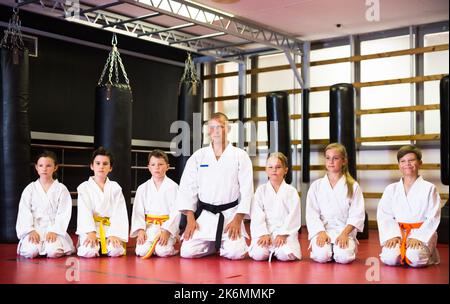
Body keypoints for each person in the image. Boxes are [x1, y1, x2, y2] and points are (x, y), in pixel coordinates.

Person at [177, 112, 254, 260]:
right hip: (204, 216)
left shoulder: (240, 156)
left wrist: (238, 220)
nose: (216, 131)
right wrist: (190, 219)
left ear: (228, 128)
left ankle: (222, 244)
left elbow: (247, 190)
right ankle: (213, 246)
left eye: (220, 126)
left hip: (230, 215)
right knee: (187, 252)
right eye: (212, 127)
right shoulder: (198, 156)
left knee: (235, 254)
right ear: (208, 130)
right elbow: (188, 188)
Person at [377, 145, 441, 267]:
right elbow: (384, 215)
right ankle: (402, 250)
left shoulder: (429, 188)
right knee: (389, 258)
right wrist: (392, 235)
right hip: (398, 233)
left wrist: (419, 237)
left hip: (421, 233)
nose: (407, 164)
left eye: (411, 160)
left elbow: (433, 217)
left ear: (420, 163)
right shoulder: (391, 189)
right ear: (399, 165)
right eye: (403, 161)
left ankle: (422, 253)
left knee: (415, 257)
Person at [306, 143, 365, 264]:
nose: (331, 161)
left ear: (344, 161)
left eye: (335, 158)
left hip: (344, 231)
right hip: (323, 230)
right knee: (321, 256)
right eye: (328, 158)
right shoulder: (316, 186)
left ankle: (341, 249)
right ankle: (329, 250)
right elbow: (312, 214)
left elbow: (357, 215)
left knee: (343, 258)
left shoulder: (353, 186)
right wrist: (320, 232)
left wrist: (344, 234)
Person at [16, 150, 75, 258]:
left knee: (53, 252)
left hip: (53, 228)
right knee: (30, 252)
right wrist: (30, 230)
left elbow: (64, 213)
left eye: (48, 165)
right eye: (41, 165)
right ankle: (33, 242)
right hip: (35, 228)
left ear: (55, 167)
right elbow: (24, 211)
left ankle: (54, 242)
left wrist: (55, 230)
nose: (44, 168)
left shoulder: (61, 189)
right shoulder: (30, 189)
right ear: (36, 167)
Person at [76, 147, 129, 258]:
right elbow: (84, 212)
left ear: (110, 168)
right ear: (92, 166)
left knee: (116, 251)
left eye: (105, 164)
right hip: (91, 227)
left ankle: (103, 246)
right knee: (88, 251)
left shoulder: (115, 187)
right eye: (98, 163)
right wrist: (90, 232)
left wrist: (114, 233)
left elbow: (119, 213)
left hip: (110, 227)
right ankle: (93, 245)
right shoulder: (84, 187)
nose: (101, 166)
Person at [249, 152, 301, 262]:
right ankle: (269, 249)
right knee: (259, 255)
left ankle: (278, 250)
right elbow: (257, 214)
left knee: (285, 255)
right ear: (266, 170)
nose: (274, 170)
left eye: (278, 167)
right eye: (270, 167)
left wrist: (283, 234)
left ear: (286, 170)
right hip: (265, 232)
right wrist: (263, 233)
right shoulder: (261, 190)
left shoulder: (291, 191)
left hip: (285, 233)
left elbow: (294, 216)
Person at [130, 149, 180, 258]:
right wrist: (140, 230)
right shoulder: (142, 188)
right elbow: (138, 212)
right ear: (149, 167)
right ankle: (152, 247)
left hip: (165, 228)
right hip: (149, 228)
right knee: (141, 251)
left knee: (163, 251)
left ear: (167, 166)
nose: (157, 167)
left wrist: (167, 231)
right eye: (153, 164)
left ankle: (171, 247)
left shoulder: (174, 187)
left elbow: (176, 212)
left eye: (160, 164)